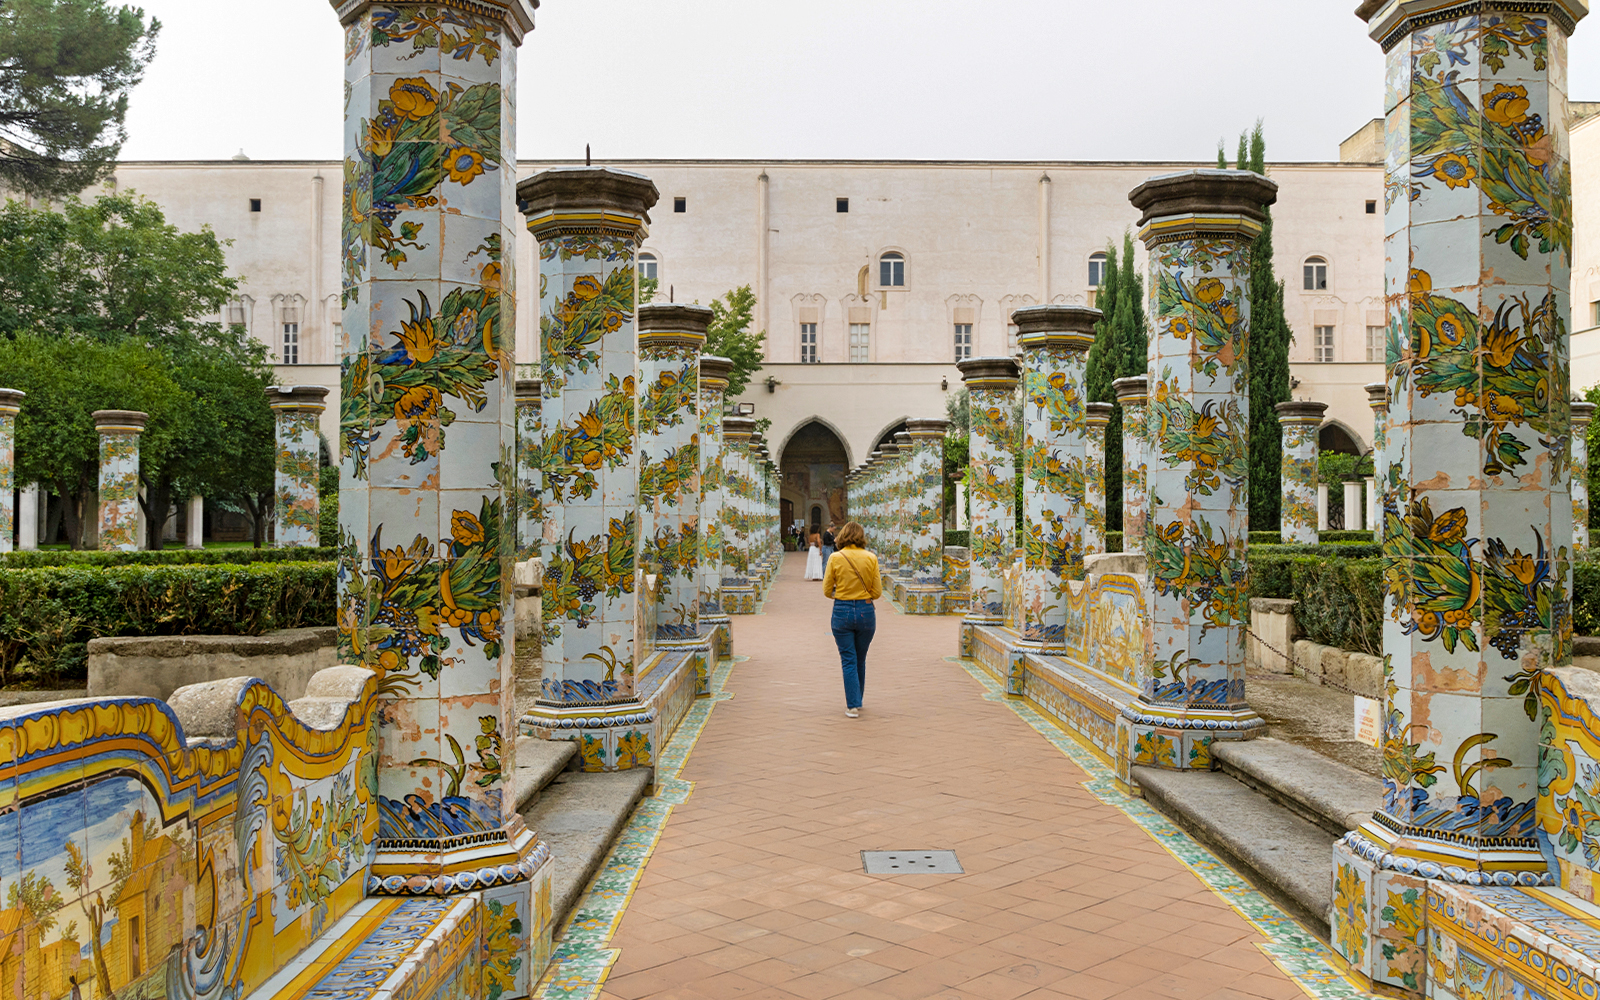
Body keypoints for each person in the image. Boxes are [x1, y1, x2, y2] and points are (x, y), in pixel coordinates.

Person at [822, 521, 881, 718]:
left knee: (848, 658)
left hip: (842, 610)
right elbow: (877, 592)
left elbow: (826, 590)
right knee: (860, 657)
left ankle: (853, 705)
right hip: (866, 611)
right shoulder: (871, 558)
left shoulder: (835, 558)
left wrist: (841, 594)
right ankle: (857, 698)